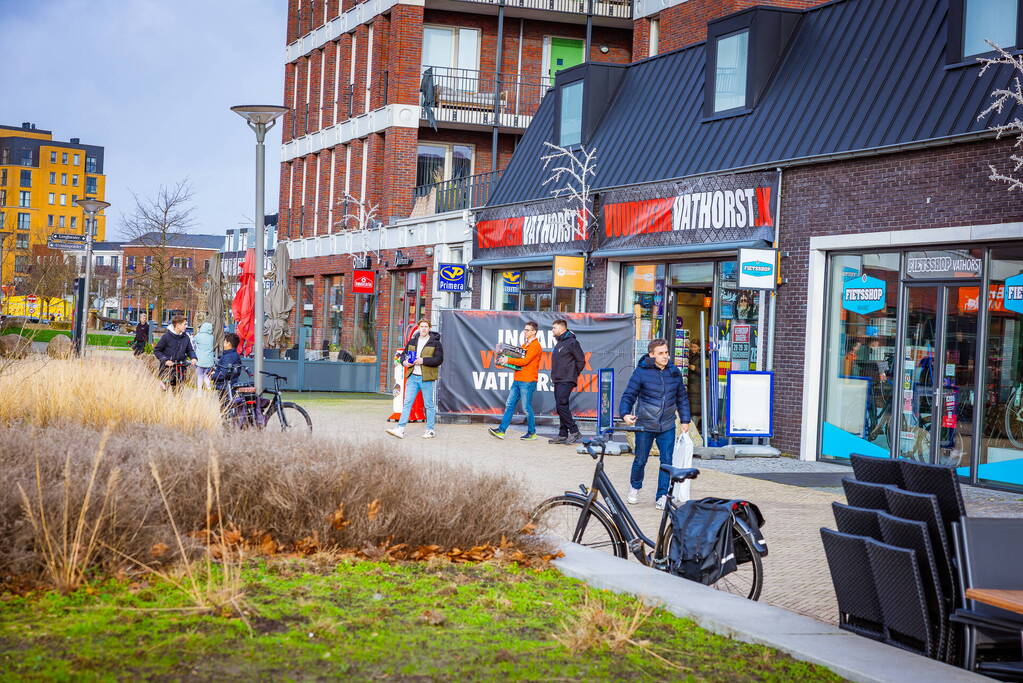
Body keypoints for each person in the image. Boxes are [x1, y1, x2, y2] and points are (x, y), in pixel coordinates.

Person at [619, 338, 691, 510]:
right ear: (652, 355)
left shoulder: (674, 372)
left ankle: (662, 496)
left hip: (667, 424)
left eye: (666, 352)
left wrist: (685, 420)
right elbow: (629, 395)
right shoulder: (641, 372)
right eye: (661, 353)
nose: (665, 356)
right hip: (645, 424)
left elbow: (682, 397)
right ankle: (635, 487)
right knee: (640, 460)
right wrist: (625, 414)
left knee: (667, 462)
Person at [386, 319, 444, 439]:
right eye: (421, 326)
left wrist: (423, 361)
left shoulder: (435, 343)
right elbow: (402, 356)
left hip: (426, 378)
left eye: (426, 327)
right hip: (413, 377)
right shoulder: (413, 341)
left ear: (429, 328)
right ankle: (400, 429)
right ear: (418, 328)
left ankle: (430, 430)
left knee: (428, 405)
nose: (423, 329)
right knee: (407, 403)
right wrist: (405, 362)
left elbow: (439, 360)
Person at [489, 321, 542, 441]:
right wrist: (502, 356)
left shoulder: (535, 346)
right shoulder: (524, 345)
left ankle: (532, 433)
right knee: (509, 405)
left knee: (526, 408)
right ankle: (501, 430)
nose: (525, 332)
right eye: (525, 329)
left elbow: (524, 361)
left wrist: (508, 360)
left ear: (534, 332)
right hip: (518, 379)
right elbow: (516, 358)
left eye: (528, 330)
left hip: (528, 381)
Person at [549, 318, 586, 444]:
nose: (552, 330)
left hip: (567, 379)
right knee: (561, 406)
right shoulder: (559, 342)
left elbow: (581, 360)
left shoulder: (572, 342)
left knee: (561, 405)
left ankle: (574, 431)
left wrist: (572, 373)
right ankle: (562, 434)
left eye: (554, 327)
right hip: (558, 379)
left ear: (561, 328)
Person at [153, 315, 197, 388]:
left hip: (181, 369)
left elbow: (190, 350)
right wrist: (165, 360)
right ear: (177, 325)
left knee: (178, 394)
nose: (186, 326)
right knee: (165, 394)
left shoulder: (186, 337)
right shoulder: (166, 336)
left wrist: (193, 357)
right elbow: (157, 350)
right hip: (167, 369)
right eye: (184, 324)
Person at [192, 321, 217, 390]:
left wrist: (197, 332)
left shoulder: (198, 336)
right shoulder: (212, 337)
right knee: (206, 374)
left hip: (200, 360)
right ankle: (208, 387)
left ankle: (199, 390)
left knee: (200, 375)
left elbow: (193, 341)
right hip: (209, 361)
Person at [687, 339, 703, 426]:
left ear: (699, 348)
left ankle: (694, 428)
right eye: (692, 346)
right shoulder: (687, 355)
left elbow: (705, 372)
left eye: (695, 347)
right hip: (688, 384)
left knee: (695, 410)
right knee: (688, 407)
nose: (693, 349)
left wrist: (695, 368)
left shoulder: (702, 357)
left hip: (696, 386)